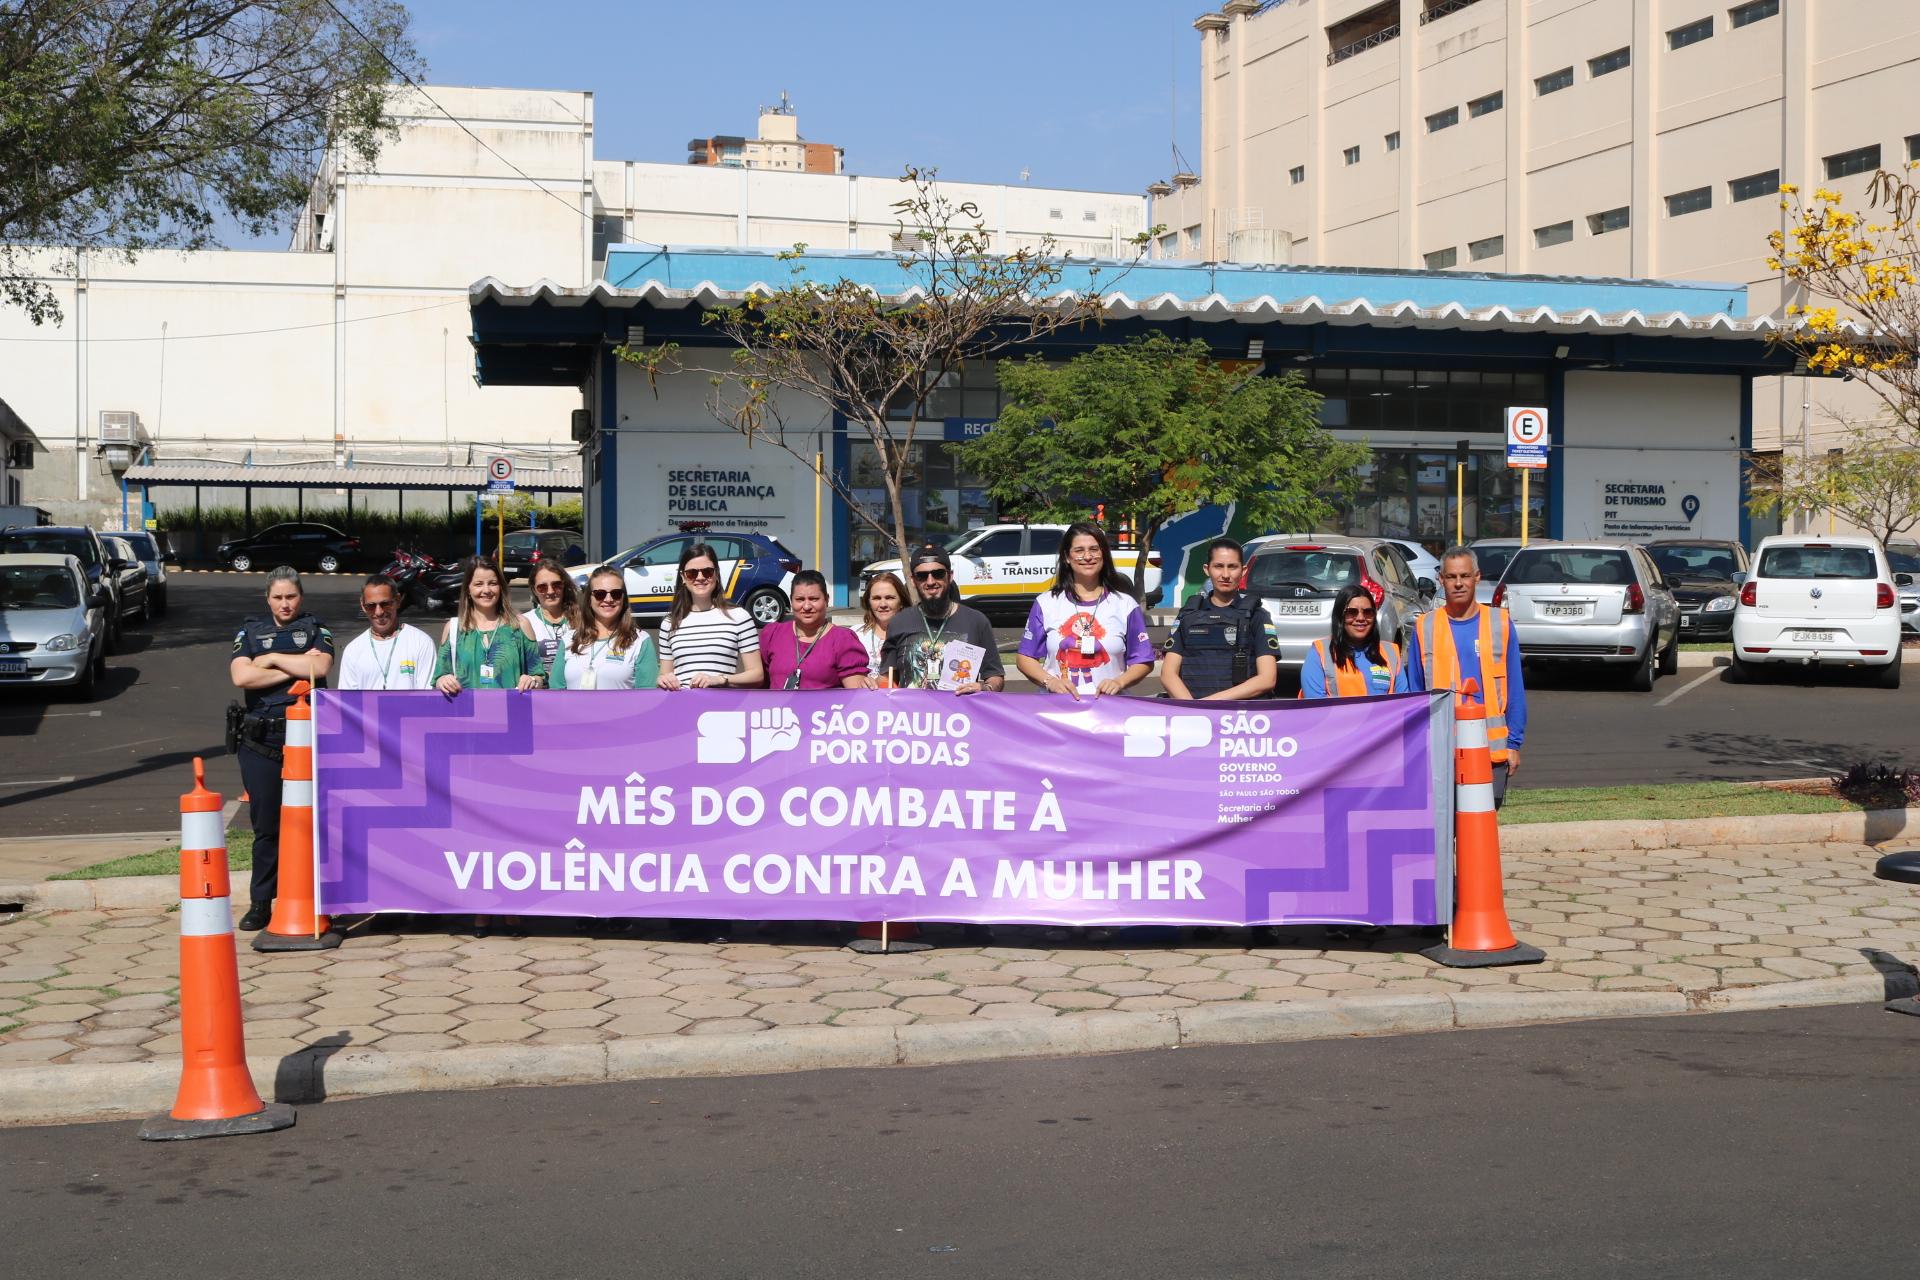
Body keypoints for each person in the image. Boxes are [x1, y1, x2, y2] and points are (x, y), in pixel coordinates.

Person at [227, 567, 334, 930]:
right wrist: (297, 666)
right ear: (267, 598)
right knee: (266, 827)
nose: (285, 603)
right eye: (278, 597)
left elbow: (320, 667)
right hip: (262, 742)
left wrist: (271, 660)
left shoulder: (316, 628)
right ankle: (261, 903)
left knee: (314, 824)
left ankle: (320, 898)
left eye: (291, 596)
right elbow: (242, 676)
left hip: (308, 740)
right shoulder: (250, 631)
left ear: (300, 597)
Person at [1407, 544, 1527, 806]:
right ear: (1441, 579)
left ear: (1477, 577)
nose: (1458, 583)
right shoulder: (1424, 626)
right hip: (1440, 753)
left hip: (1491, 752)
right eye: (1451, 577)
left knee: (1480, 835)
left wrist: (1514, 744)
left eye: (1464, 576)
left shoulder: (1500, 623)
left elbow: (1515, 688)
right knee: (1442, 834)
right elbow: (1414, 694)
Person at [1016, 521, 1154, 699]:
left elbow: (1143, 660)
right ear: (1067, 556)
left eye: (1094, 549)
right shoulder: (1046, 603)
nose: (1087, 556)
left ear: (1103, 554)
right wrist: (1050, 682)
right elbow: (1025, 657)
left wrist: (1119, 682)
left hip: (1109, 710)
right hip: (1057, 710)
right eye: (1079, 550)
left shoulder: (1125, 605)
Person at [1161, 538, 1280, 701]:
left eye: (1232, 567)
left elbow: (1267, 679)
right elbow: (1168, 675)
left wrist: (1211, 704)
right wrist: (1194, 710)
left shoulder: (1256, 616)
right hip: (1195, 716)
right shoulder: (1188, 614)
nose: (1225, 575)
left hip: (1241, 719)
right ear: (1206, 569)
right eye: (1218, 566)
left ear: (1243, 570)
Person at [879, 545, 1003, 694]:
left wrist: (985, 687)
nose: (930, 581)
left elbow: (995, 677)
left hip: (958, 714)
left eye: (938, 574)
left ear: (950, 576)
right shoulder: (899, 622)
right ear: (912, 581)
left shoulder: (976, 621)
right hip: (912, 715)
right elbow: (886, 677)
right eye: (922, 576)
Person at [655, 541, 765, 690]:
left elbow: (757, 675)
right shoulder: (669, 623)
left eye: (707, 571)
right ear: (683, 577)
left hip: (721, 709)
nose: (700, 577)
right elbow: (665, 675)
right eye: (692, 573)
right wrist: (664, 680)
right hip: (681, 707)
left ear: (717, 574)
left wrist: (720, 680)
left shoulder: (739, 617)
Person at [433, 556, 544, 694]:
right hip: (468, 713)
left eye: (492, 583)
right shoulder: (454, 628)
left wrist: (532, 680)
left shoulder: (520, 625)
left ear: (501, 587)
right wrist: (443, 680)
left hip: (509, 712)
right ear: (468, 589)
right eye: (478, 584)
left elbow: (539, 677)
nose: (486, 590)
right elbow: (438, 678)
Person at [549, 567, 659, 690]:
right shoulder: (569, 639)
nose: (608, 599)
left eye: (616, 594)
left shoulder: (640, 641)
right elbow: (556, 690)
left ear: (623, 598)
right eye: (599, 594)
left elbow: (647, 696)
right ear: (589, 599)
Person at [761, 570, 870, 690]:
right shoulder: (773, 634)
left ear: (826, 600)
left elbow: (856, 696)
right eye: (800, 599)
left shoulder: (843, 639)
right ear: (791, 601)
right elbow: (758, 683)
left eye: (813, 599)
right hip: (778, 708)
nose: (807, 606)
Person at [1299, 584, 1412, 699]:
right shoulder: (1320, 652)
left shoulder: (1391, 652)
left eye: (1368, 612)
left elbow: (1402, 703)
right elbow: (1314, 706)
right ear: (1340, 616)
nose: (1361, 618)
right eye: (1352, 612)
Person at [337, 574, 437, 690]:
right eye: (371, 606)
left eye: (385, 604)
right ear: (363, 606)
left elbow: (427, 697)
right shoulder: (353, 650)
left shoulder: (421, 643)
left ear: (398, 601)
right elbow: (347, 702)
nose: (379, 612)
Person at [525, 562, 579, 675]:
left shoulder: (582, 620)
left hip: (573, 691)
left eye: (556, 585)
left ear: (564, 585)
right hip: (540, 691)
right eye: (542, 587)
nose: (550, 591)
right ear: (534, 590)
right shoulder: (525, 622)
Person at [851, 571, 906, 677]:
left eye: (889, 598)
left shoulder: (912, 635)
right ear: (868, 602)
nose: (883, 604)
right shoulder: (855, 635)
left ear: (901, 602)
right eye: (876, 598)